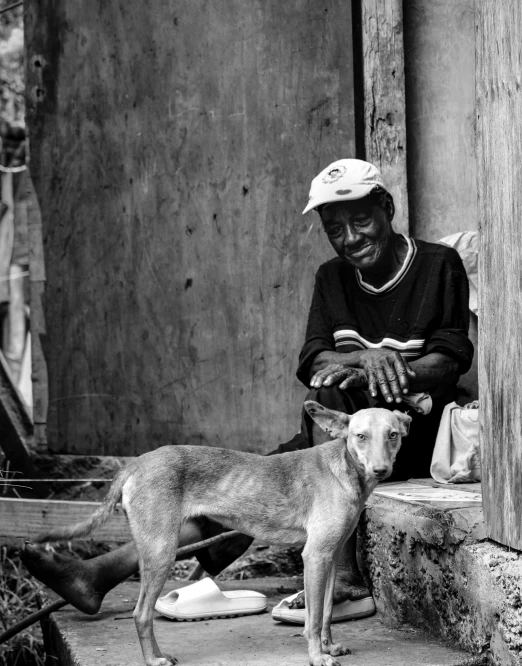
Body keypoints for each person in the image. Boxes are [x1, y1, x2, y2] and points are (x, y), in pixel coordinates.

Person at [22, 158, 473, 617]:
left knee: (319, 416)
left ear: (387, 208)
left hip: (403, 439)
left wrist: (395, 368)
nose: (351, 239)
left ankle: (343, 577)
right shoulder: (332, 277)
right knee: (248, 487)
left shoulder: (438, 265)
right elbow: (313, 359)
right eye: (335, 229)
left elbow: (450, 360)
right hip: (337, 442)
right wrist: (359, 359)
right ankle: (96, 575)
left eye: (360, 221)